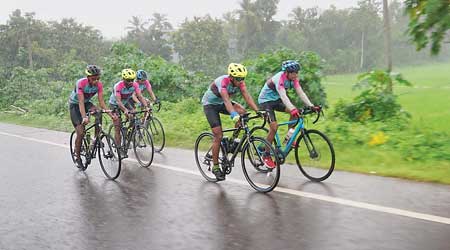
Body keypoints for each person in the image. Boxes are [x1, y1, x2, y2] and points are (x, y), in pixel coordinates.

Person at [201, 63, 260, 181]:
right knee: (218, 135)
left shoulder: (241, 83)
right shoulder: (222, 82)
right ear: (231, 77)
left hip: (221, 103)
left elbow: (247, 97)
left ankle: (232, 142)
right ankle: (216, 167)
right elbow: (227, 101)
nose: (241, 81)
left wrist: (258, 111)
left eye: (242, 78)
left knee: (243, 112)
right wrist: (234, 115)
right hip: (210, 106)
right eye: (238, 78)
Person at [258, 60, 321, 166]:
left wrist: (311, 106)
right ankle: (266, 155)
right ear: (286, 72)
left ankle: (288, 139)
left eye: (297, 72)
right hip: (265, 101)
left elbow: (300, 92)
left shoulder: (294, 79)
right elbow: (283, 96)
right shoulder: (279, 78)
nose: (295, 75)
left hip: (276, 100)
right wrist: (292, 108)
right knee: (274, 127)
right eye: (293, 73)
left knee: (294, 114)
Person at [69, 65, 112, 168]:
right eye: (93, 79)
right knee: (80, 132)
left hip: (87, 103)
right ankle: (77, 156)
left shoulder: (99, 85)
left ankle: (96, 138)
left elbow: (101, 102)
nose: (96, 81)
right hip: (75, 105)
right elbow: (80, 102)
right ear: (88, 77)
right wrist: (84, 117)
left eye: (98, 78)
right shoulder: (81, 83)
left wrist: (110, 113)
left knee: (99, 113)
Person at [109, 68, 148, 157]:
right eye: (128, 80)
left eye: (132, 80)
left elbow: (140, 96)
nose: (130, 82)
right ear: (124, 79)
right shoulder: (118, 86)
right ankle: (119, 149)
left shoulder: (135, 85)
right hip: (115, 104)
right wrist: (125, 110)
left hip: (125, 102)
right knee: (118, 126)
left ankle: (127, 133)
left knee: (134, 114)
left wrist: (146, 106)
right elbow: (118, 102)